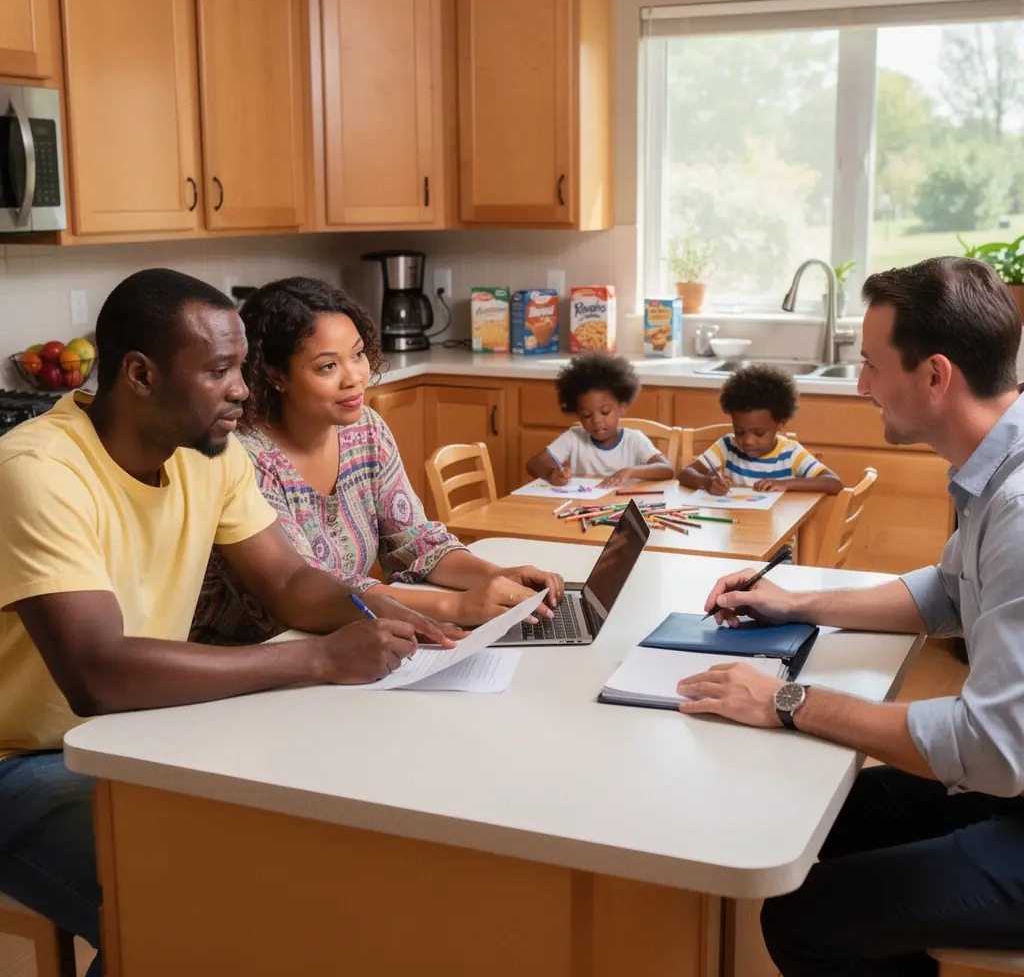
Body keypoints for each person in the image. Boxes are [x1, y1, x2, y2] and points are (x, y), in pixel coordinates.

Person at [0, 268, 460, 977]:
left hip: (133, 736)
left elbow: (288, 581)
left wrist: (383, 611)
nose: (243, 390)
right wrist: (317, 660)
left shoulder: (208, 456)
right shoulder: (39, 471)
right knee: (195, 906)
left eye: (241, 367)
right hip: (22, 761)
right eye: (219, 371)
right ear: (141, 375)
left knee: (279, 866)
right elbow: (98, 674)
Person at [677, 256, 1024, 975]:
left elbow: (992, 744)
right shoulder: (996, 465)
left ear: (934, 376)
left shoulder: (1019, 509)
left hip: (1014, 794)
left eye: (869, 365)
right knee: (820, 820)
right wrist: (795, 600)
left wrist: (787, 701)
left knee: (804, 917)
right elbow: (951, 595)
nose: (860, 384)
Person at [192, 277, 563, 643]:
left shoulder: (366, 430)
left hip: (344, 641)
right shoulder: (246, 458)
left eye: (357, 355)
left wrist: (498, 576)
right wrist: (458, 607)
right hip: (253, 656)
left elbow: (416, 542)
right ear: (276, 376)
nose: (354, 377)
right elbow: (312, 587)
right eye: (327, 366)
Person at [678, 363, 843, 495]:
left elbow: (834, 483)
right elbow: (685, 474)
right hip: (736, 529)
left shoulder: (791, 453)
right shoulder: (727, 446)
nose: (748, 441)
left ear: (780, 423)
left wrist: (786, 484)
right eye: (740, 431)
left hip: (780, 534)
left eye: (759, 433)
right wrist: (707, 482)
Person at [525, 353, 675, 489]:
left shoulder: (634, 440)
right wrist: (552, 474)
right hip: (583, 508)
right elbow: (534, 464)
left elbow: (667, 470)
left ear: (622, 408)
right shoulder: (573, 438)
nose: (597, 421)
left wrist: (630, 471)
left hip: (622, 509)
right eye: (586, 415)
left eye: (605, 412)